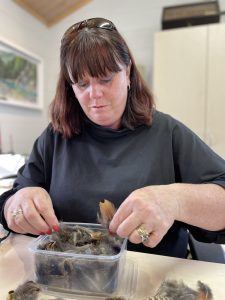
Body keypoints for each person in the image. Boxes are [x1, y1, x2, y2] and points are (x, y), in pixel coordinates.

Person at [1, 17, 225, 258]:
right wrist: (17, 206)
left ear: (127, 72)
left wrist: (176, 201)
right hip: (67, 280)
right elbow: (12, 199)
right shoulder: (56, 137)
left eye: (106, 79)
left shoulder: (167, 133)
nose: (94, 94)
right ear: (70, 87)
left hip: (150, 282)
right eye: (82, 83)